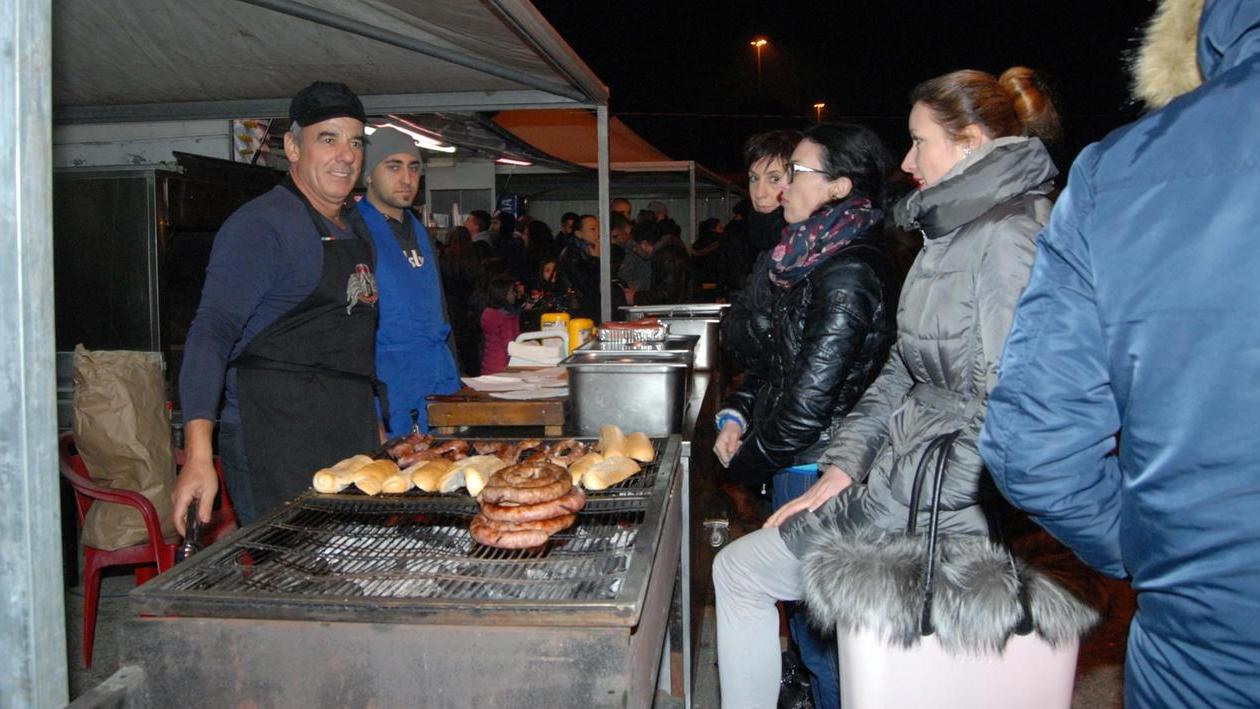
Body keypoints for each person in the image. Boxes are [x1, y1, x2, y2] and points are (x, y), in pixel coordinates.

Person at [712, 68, 1061, 708]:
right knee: (755, 580)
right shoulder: (948, 232)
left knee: (779, 598)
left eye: (919, 140)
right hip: (897, 480)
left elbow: (1009, 406)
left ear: (972, 142)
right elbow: (904, 368)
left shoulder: (1010, 235)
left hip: (935, 502)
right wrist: (843, 471)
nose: (906, 160)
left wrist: (919, 517)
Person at [978, 1, 1260, 704]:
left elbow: (1033, 445)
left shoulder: (1122, 171)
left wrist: (1155, 546)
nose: (908, 160)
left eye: (921, 140)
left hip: (1210, 636)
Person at [712, 123, 900, 709]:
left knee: (832, 640)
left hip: (822, 465)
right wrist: (736, 414)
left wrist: (744, 464)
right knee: (819, 630)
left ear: (839, 187)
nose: (782, 184)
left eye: (796, 172)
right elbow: (774, 367)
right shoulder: (804, 259)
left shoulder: (846, 271)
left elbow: (808, 404)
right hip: (797, 459)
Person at [172, 82, 381, 530]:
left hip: (348, 431)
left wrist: (371, 424)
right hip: (278, 434)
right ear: (292, 146)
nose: (346, 154)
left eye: (355, 141)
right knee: (296, 580)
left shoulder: (356, 226)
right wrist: (198, 455)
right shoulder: (263, 226)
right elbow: (211, 331)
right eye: (328, 138)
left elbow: (353, 340)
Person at [354, 126, 460, 436]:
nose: (406, 178)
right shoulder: (355, 232)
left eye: (413, 167)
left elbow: (441, 310)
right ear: (369, 174)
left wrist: (455, 374)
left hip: (437, 379)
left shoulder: (420, 230)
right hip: (388, 388)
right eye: (393, 166)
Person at [720, 130, 799, 370]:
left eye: (774, 178)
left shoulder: (801, 243)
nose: (759, 192)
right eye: (754, 178)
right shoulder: (765, 237)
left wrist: (738, 325)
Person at [440, 226, 482, 376]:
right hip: (469, 311)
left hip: (451, 309)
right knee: (471, 355)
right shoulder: (474, 260)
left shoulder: (443, 261)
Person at [632, 219, 694, 306]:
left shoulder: (666, 256)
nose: (634, 250)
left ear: (644, 244)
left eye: (635, 246)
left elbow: (668, 293)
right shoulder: (670, 252)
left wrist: (636, 297)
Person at [557, 214, 603, 322]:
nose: (598, 233)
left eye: (599, 229)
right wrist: (595, 260)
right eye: (593, 229)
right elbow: (584, 283)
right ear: (578, 233)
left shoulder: (592, 250)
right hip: (578, 309)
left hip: (592, 306)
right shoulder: (572, 254)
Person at [479, 273, 520, 375]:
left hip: (488, 367)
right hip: (503, 369)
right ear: (504, 293)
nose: (515, 294)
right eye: (512, 291)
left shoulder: (487, 313)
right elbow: (511, 347)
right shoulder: (505, 318)